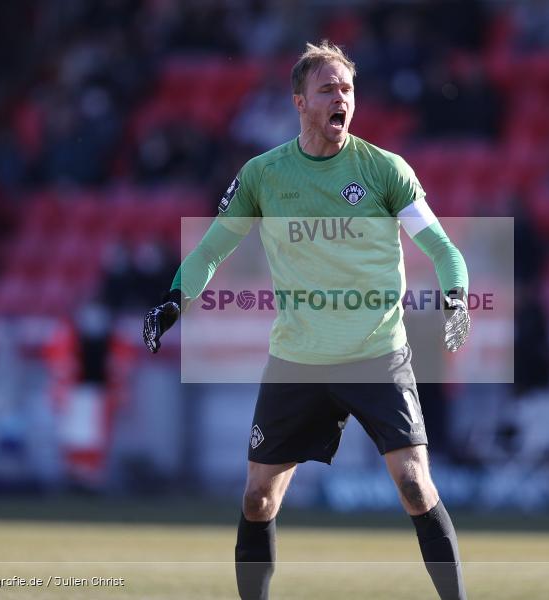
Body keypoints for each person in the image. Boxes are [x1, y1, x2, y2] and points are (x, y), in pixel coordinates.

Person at [143, 41, 470, 600]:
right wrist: (176, 297)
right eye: (328, 89)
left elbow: (443, 248)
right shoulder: (263, 175)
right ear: (300, 101)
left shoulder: (384, 170)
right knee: (257, 500)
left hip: (377, 353)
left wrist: (457, 297)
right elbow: (210, 251)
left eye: (347, 89)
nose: (342, 98)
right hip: (298, 358)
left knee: (415, 485)